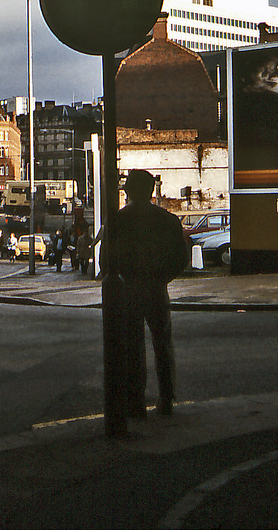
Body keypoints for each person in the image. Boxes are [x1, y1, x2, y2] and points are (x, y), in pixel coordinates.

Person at [110, 169, 189, 417]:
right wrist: (162, 279)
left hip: (130, 290)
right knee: (163, 344)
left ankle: (136, 402)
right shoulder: (167, 220)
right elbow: (181, 259)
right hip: (156, 288)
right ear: (152, 191)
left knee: (133, 348)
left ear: (129, 191)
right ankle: (166, 399)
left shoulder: (119, 220)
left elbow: (107, 260)